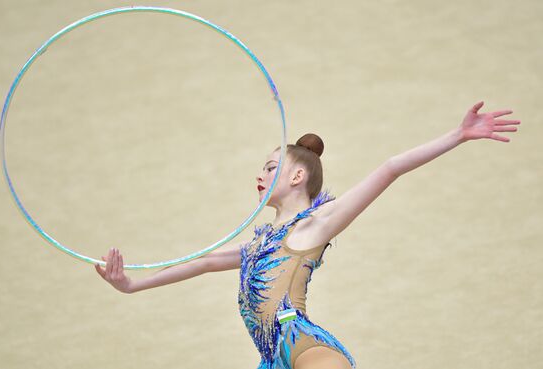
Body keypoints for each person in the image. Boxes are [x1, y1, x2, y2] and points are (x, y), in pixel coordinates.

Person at [95, 101, 520, 369]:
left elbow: (391, 167)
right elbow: (203, 261)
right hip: (270, 360)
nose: (258, 175)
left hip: (304, 347)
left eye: (269, 167)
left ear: (297, 175)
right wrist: (133, 285)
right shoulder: (259, 244)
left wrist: (458, 135)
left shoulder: (318, 223)